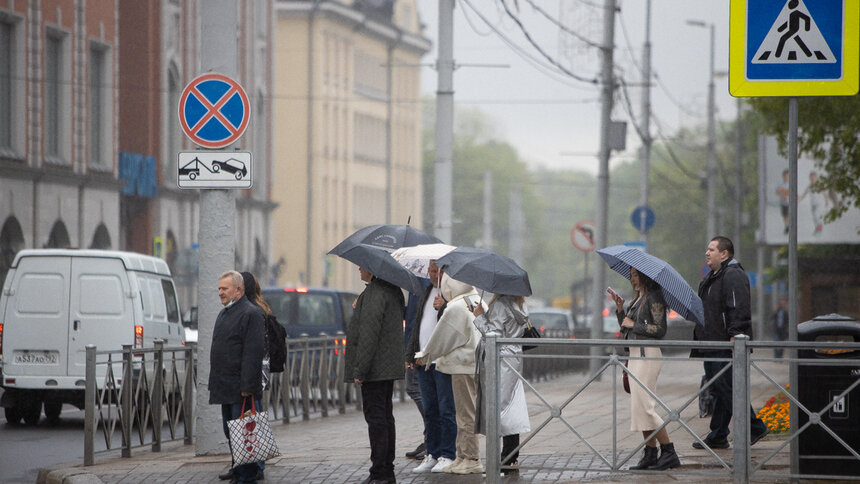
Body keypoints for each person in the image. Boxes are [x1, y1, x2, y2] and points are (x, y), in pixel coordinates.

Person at [691, 236, 769, 450]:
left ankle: (755, 427)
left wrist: (736, 338)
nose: (707, 253)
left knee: (726, 388)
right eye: (707, 249)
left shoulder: (732, 274)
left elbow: (738, 308)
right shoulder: (713, 277)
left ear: (724, 253)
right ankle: (718, 435)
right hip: (711, 342)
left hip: (725, 343)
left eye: (711, 249)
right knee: (718, 388)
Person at [608, 269, 680, 470]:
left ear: (645, 277)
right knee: (639, 407)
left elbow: (660, 329)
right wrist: (621, 310)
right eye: (631, 275)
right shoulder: (638, 298)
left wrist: (635, 323)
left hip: (647, 355)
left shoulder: (654, 297)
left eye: (636, 275)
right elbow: (626, 328)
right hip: (635, 354)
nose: (632, 279)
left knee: (646, 407)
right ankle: (650, 453)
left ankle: (669, 451)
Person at [415, 273, 484, 475]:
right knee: (464, 413)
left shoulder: (455, 307)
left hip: (460, 366)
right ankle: (462, 456)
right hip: (476, 364)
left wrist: (425, 354)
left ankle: (470, 457)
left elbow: (442, 338)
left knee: (465, 416)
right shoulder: (476, 300)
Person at [345, 266, 405, 484]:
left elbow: (369, 334)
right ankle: (386, 469)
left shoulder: (374, 293)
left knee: (377, 420)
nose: (359, 269)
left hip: (375, 369)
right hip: (386, 367)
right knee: (386, 418)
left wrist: (360, 369)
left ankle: (380, 472)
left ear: (371, 269)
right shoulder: (391, 290)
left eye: (361, 266)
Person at [210, 270, 265, 484]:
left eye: (225, 289)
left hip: (241, 388)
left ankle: (247, 477)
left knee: (243, 434)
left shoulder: (251, 314)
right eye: (219, 289)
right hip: (225, 386)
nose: (220, 293)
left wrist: (248, 386)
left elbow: (253, 352)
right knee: (231, 431)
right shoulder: (225, 313)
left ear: (238, 290)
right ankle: (240, 473)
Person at [405, 260, 456, 473]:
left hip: (442, 360)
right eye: (431, 270)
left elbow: (455, 324)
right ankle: (432, 453)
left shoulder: (450, 295)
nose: (433, 274)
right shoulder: (426, 291)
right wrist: (411, 353)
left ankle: (448, 454)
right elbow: (418, 324)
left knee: (446, 409)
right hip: (422, 360)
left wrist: (444, 306)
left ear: (445, 272)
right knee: (430, 409)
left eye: (436, 271)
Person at [473, 293, 531, 475]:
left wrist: (479, 317)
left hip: (499, 359)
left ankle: (502, 461)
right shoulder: (520, 304)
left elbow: (493, 334)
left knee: (497, 408)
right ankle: (510, 458)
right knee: (511, 407)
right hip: (513, 356)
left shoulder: (500, 304)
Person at [402, 279, 429, 460]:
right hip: (416, 345)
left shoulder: (422, 284)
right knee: (418, 390)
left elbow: (416, 321)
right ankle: (430, 437)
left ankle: (433, 437)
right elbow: (411, 315)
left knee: (415, 389)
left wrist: (411, 352)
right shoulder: (416, 285)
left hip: (419, 347)